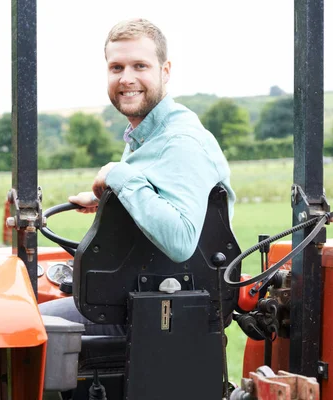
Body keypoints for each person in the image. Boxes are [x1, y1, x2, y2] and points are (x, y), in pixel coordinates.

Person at [39, 18, 235, 335]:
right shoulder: (147, 135)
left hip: (163, 314)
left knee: (22, 328)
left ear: (165, 71)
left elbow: (182, 240)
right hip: (136, 297)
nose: (127, 78)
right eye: (116, 68)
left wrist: (119, 175)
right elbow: (156, 192)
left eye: (139, 66)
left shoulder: (180, 141)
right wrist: (109, 200)